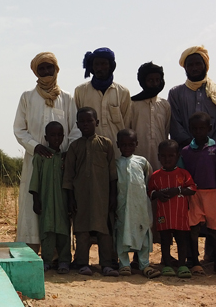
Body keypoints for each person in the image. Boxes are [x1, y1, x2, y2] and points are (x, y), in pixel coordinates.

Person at [13, 52, 80, 251]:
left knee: (58, 204)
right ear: (35, 71)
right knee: (32, 202)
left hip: (60, 163)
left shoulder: (67, 98)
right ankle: (31, 249)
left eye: (49, 67)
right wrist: (36, 146)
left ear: (56, 69)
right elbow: (19, 129)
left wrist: (66, 152)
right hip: (34, 160)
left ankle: (59, 253)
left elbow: (75, 128)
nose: (46, 72)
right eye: (41, 68)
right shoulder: (27, 97)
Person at [63, 107, 118, 277]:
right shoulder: (74, 147)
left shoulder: (106, 144)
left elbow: (112, 174)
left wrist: (113, 195)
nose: (86, 124)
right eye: (82, 122)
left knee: (104, 230)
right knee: (82, 230)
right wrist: (71, 198)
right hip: (81, 196)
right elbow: (69, 176)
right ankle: (82, 263)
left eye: (90, 121)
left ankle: (107, 264)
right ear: (77, 124)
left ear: (97, 122)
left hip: (102, 195)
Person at [179, 112, 216, 276]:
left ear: (210, 128)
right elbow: (182, 174)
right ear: (190, 129)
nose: (199, 131)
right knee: (193, 227)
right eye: (195, 128)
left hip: (213, 193)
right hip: (194, 194)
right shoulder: (186, 151)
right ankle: (194, 261)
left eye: (202, 128)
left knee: (215, 228)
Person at [148, 140, 196, 278]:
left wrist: (178, 190)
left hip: (180, 216)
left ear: (177, 156)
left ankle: (182, 265)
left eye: (171, 156)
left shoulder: (183, 174)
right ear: (158, 157)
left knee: (181, 240)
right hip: (164, 215)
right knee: (165, 240)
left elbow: (192, 189)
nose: (167, 159)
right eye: (163, 156)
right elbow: (150, 191)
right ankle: (167, 265)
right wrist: (157, 194)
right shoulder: (156, 176)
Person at [29, 121, 70, 273]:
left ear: (63, 136)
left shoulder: (65, 158)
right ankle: (46, 260)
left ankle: (64, 261)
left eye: (59, 135)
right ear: (46, 137)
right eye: (52, 135)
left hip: (62, 201)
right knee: (47, 231)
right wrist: (35, 199)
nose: (56, 138)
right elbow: (35, 179)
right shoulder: (40, 157)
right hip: (45, 201)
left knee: (64, 230)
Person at [74, 47, 131, 156]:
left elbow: (126, 123)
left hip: (117, 152)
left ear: (111, 66)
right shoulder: (81, 91)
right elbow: (77, 124)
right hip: (89, 152)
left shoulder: (123, 92)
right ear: (92, 67)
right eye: (96, 64)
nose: (100, 68)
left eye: (104, 63)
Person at [114, 129, 156, 277]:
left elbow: (148, 179)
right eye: (123, 145)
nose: (127, 148)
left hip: (140, 205)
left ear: (136, 144)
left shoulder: (142, 161)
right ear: (118, 145)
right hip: (122, 206)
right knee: (122, 232)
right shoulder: (116, 163)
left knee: (143, 232)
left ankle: (144, 264)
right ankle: (124, 264)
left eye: (130, 144)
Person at [169, 46, 216, 147]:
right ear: (185, 68)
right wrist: (191, 145)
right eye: (190, 65)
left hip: (215, 151)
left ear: (205, 65)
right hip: (185, 151)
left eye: (198, 64)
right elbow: (174, 123)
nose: (194, 68)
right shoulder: (175, 93)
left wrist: (212, 145)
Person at [129, 62, 170, 170]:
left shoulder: (164, 105)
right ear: (143, 81)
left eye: (158, 80)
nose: (155, 84)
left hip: (160, 157)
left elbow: (166, 131)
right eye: (150, 80)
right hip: (137, 155)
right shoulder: (132, 104)